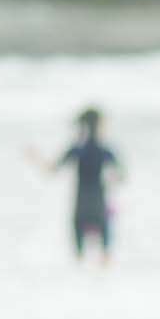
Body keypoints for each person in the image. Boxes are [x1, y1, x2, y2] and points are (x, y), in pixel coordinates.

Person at [51, 107, 121, 264]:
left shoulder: (77, 149)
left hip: (81, 205)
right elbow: (120, 176)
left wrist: (34, 157)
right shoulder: (105, 150)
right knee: (105, 255)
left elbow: (53, 170)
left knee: (79, 258)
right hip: (98, 204)